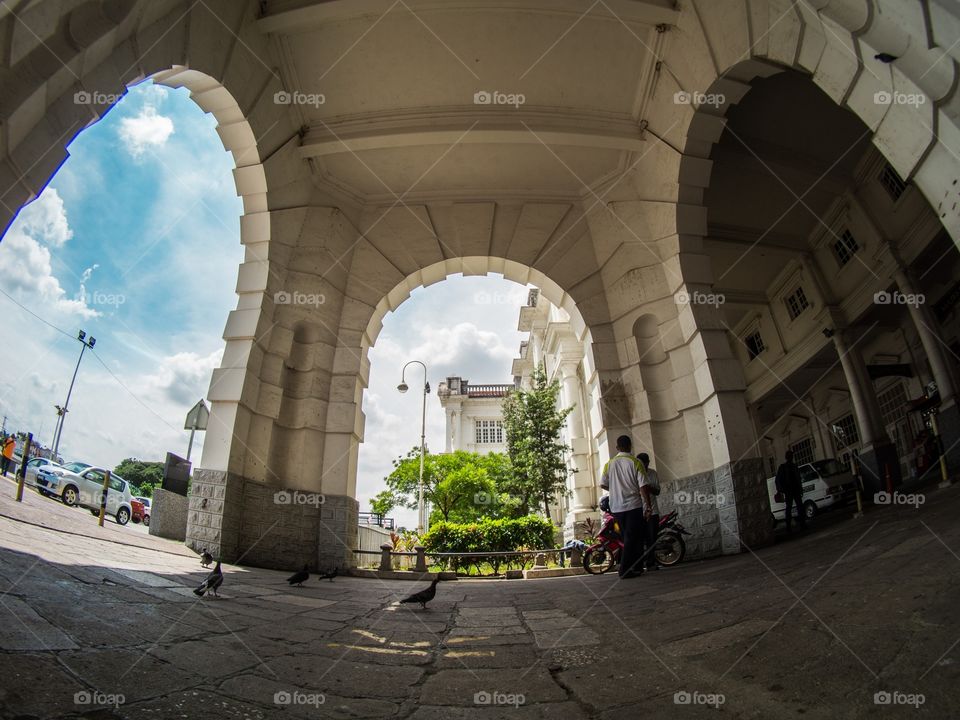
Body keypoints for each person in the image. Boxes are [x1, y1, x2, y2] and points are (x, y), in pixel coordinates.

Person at [600, 435, 652, 578]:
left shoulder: (609, 464)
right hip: (633, 506)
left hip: (616, 508)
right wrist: (648, 505)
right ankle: (624, 570)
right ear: (630, 446)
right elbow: (643, 487)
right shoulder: (636, 462)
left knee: (628, 537)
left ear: (617, 447)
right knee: (632, 537)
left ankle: (636, 567)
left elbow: (603, 483)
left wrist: (616, 489)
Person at [637, 453, 661, 570]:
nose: (642, 466)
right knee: (640, 539)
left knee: (652, 538)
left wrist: (646, 487)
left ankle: (651, 563)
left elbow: (657, 491)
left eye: (644, 463)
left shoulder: (652, 473)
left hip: (653, 512)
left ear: (647, 462)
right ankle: (640, 564)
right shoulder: (635, 474)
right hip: (638, 510)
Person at [775, 450, 806, 532]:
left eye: (791, 456)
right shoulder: (783, 467)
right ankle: (789, 526)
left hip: (794, 489)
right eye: (790, 456)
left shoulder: (793, 466)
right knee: (790, 508)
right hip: (789, 490)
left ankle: (801, 524)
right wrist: (781, 490)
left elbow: (798, 478)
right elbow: (778, 479)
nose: (791, 458)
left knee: (798, 507)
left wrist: (800, 488)